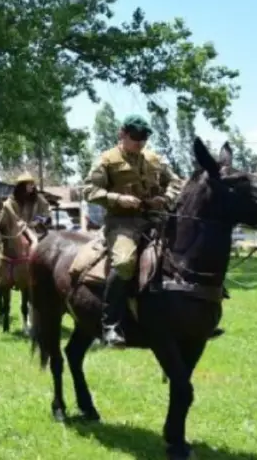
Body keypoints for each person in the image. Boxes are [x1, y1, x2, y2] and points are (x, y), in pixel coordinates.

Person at [81, 114, 184, 347]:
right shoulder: (107, 160)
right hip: (122, 222)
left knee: (186, 251)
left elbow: (176, 183)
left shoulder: (154, 158)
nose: (140, 142)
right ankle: (110, 325)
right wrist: (118, 198)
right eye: (135, 137)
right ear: (122, 133)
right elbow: (88, 189)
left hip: (156, 218)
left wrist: (165, 198)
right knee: (125, 262)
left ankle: (193, 318)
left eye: (144, 137)